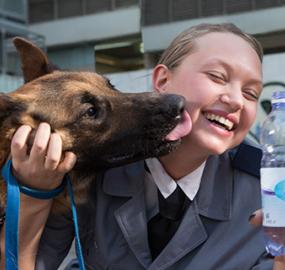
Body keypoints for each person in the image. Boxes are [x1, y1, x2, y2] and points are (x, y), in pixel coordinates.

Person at [0, 23, 284, 269]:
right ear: (162, 79)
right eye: (217, 77)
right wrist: (33, 191)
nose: (235, 100)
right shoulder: (88, 171)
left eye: (251, 93)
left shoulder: (267, 193)